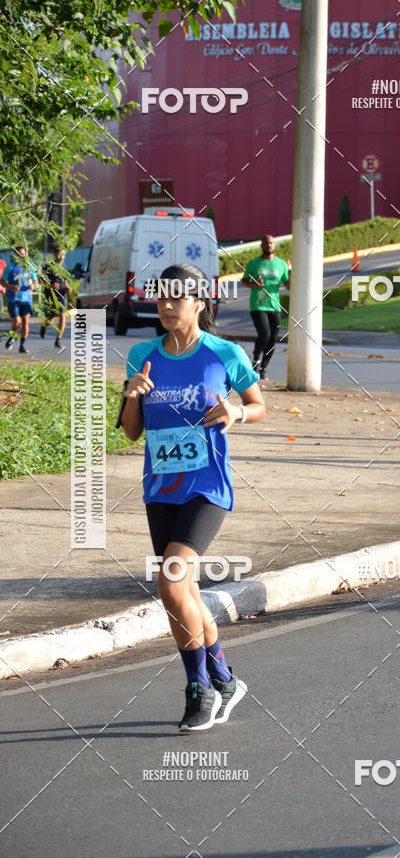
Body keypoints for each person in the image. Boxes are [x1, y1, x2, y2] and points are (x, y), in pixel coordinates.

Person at [120, 264, 266, 732]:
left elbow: (258, 405)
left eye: (176, 298)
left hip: (207, 486)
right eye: (159, 298)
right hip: (160, 487)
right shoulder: (143, 354)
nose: (165, 306)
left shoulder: (223, 353)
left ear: (200, 303)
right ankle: (226, 678)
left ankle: (199, 688)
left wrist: (237, 410)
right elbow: (130, 432)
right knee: (182, 593)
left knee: (170, 582)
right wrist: (131, 395)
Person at [241, 234, 289, 379]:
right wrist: (254, 284)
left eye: (271, 243)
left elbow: (288, 285)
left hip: (274, 306)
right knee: (265, 335)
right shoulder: (254, 263)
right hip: (258, 305)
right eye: (266, 243)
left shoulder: (281, 264)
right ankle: (256, 358)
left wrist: (291, 271)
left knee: (273, 338)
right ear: (261, 245)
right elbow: (244, 281)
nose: (269, 245)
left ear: (274, 245)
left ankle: (264, 367)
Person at [4, 244, 37, 354]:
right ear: (15, 255)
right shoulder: (10, 267)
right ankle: (12, 338)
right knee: (17, 322)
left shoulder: (29, 267)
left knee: (25, 322)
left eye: (22, 254)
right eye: (18, 254)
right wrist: (10, 287)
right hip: (14, 299)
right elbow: (2, 281)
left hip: (26, 299)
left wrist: (34, 285)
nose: (21, 256)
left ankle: (22, 346)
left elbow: (36, 280)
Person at [41, 248, 72, 349]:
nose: (61, 256)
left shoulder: (65, 268)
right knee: (51, 318)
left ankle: (58, 340)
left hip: (62, 295)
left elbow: (65, 281)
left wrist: (68, 287)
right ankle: (43, 327)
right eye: (59, 254)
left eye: (63, 254)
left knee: (63, 316)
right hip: (51, 295)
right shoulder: (48, 266)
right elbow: (40, 279)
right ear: (55, 254)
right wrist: (50, 285)